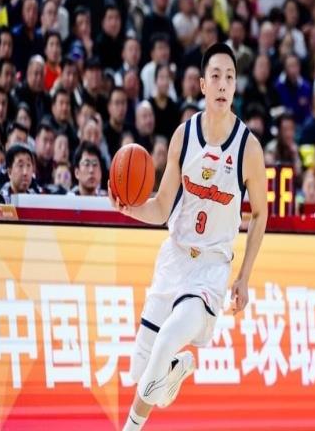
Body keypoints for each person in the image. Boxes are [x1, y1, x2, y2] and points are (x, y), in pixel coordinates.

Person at [108, 43, 267, 430]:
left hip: (210, 271)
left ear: (235, 86)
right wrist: (130, 208)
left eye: (230, 77)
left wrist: (244, 277)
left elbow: (261, 213)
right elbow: (162, 206)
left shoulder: (248, 148)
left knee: (166, 342)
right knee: (141, 374)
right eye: (215, 76)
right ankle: (173, 372)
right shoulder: (184, 135)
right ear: (202, 84)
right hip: (174, 259)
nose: (223, 84)